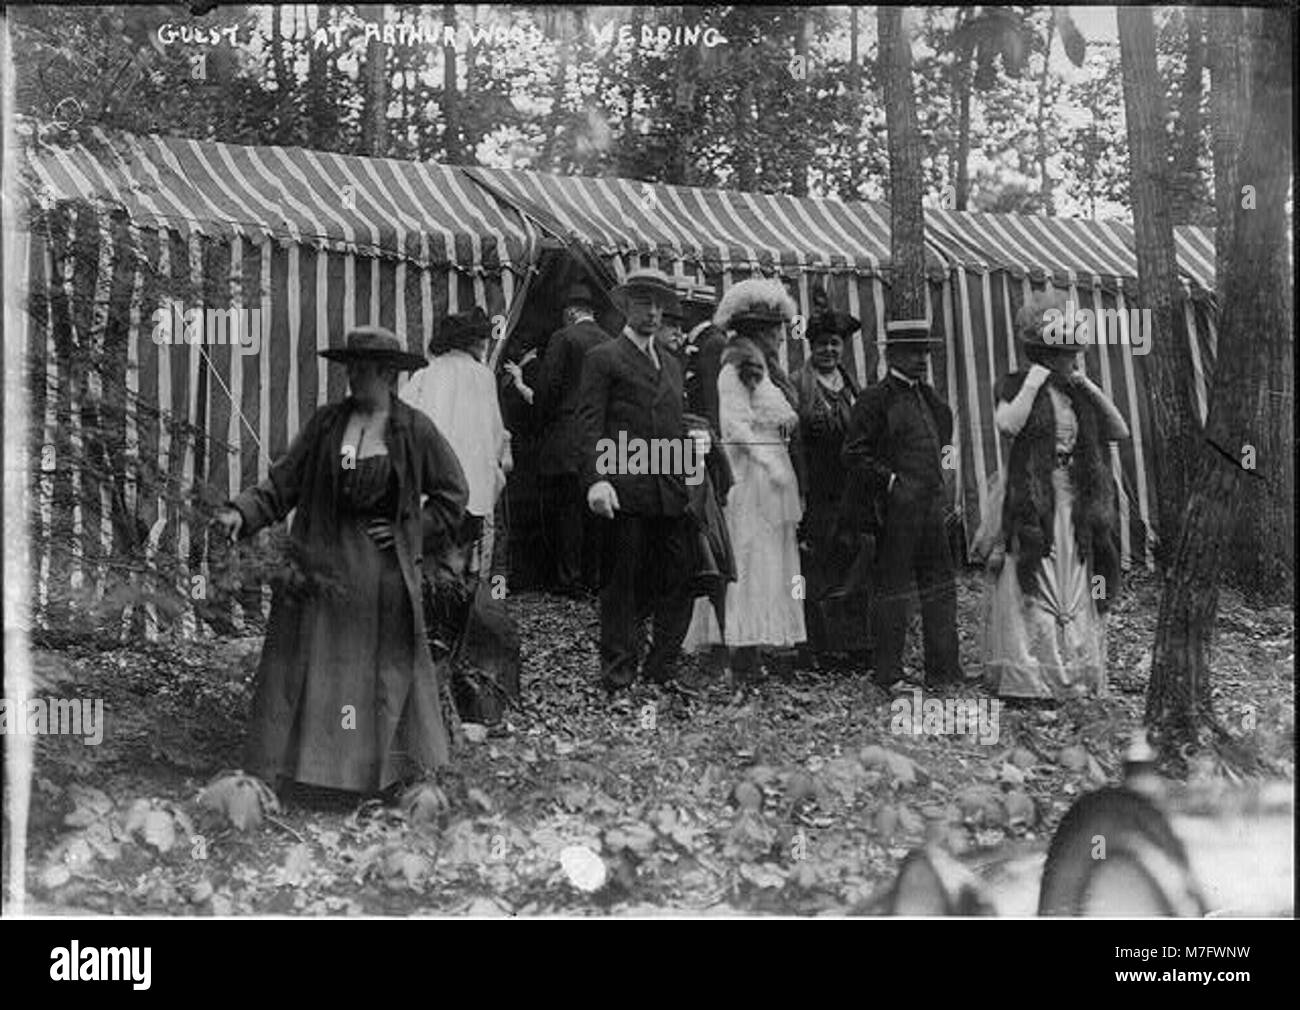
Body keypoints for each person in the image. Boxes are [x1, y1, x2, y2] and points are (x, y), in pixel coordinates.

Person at [212, 327, 469, 796]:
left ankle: (383, 777)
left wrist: (406, 530)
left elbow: (453, 496)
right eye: (350, 367)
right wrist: (241, 511)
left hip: (381, 577)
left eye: (365, 369)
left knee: (377, 673)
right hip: (319, 569)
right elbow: (281, 484)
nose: (354, 377)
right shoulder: (327, 424)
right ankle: (311, 775)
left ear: (389, 375)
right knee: (315, 668)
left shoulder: (415, 429)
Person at [982, 290, 1128, 700]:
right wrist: (1034, 381)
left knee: (1077, 576)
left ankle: (1074, 677)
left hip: (1074, 498)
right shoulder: (1015, 386)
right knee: (1031, 570)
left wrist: (1089, 386)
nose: (1073, 360)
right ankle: (1029, 678)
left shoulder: (1079, 395)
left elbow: (1119, 431)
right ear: (1045, 355)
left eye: (1074, 353)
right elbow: (1008, 426)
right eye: (1065, 354)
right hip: (1032, 498)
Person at [577, 267, 697, 693]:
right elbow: (588, 425)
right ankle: (619, 673)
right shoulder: (604, 359)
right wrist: (596, 479)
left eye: (659, 303)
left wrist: (691, 474)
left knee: (681, 577)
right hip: (624, 489)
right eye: (643, 302)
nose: (652, 311)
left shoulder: (672, 363)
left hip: (669, 492)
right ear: (625, 306)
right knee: (623, 584)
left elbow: (676, 426)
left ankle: (662, 667)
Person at [683, 278, 806, 680]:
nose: (777, 338)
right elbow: (734, 425)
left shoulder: (768, 372)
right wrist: (768, 462)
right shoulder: (735, 369)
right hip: (748, 475)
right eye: (769, 331)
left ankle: (754, 645)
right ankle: (736, 649)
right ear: (752, 334)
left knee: (769, 560)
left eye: (777, 330)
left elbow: (785, 418)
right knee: (747, 557)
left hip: (770, 474)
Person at [838, 316, 962, 689]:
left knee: (940, 588)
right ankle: (888, 674)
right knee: (893, 591)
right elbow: (853, 454)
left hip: (931, 509)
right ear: (892, 354)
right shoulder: (875, 399)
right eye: (911, 352)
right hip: (892, 513)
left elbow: (946, 450)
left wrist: (948, 489)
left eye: (924, 352)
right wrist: (891, 482)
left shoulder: (933, 401)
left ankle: (944, 672)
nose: (921, 360)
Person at [400, 307, 511, 587]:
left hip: (430, 486)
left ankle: (428, 613)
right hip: (469, 486)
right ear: (473, 342)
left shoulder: (424, 374)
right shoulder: (483, 377)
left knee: (426, 554)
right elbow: (495, 433)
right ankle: (453, 614)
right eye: (482, 339)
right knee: (458, 553)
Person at [795, 296, 871, 670]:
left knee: (854, 561)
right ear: (811, 346)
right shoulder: (799, 386)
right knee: (817, 565)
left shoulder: (854, 387)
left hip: (851, 490)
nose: (828, 350)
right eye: (822, 343)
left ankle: (854, 644)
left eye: (835, 343)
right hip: (818, 490)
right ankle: (818, 648)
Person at [532, 283, 612, 596]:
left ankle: (570, 579)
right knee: (596, 508)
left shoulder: (563, 338)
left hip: (566, 437)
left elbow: (548, 388)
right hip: (600, 438)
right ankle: (594, 577)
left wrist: (538, 424)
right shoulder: (610, 341)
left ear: (569, 313)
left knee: (567, 511)